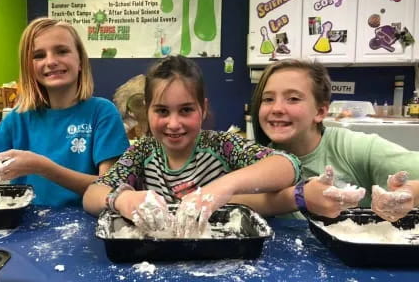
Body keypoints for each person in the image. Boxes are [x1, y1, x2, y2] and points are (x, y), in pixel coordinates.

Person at [83, 55, 301, 236]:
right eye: (162, 111)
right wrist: (123, 199)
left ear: (203, 109)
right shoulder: (142, 152)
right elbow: (92, 194)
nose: (174, 123)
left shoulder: (221, 145)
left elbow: (289, 165)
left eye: (186, 110)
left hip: (219, 260)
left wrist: (223, 187)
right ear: (147, 111)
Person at [241, 58, 419, 222]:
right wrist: (298, 196)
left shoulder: (352, 148)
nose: (277, 108)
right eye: (268, 99)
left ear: (320, 112)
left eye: (293, 99)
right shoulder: (254, 159)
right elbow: (226, 199)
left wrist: (410, 193)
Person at [0, 17, 129, 207]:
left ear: (80, 61)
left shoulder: (101, 113)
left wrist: (43, 168)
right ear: (29, 67)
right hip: (25, 227)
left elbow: (110, 190)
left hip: (85, 224)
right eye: (39, 55)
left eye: (62, 51)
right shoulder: (20, 116)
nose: (51, 61)